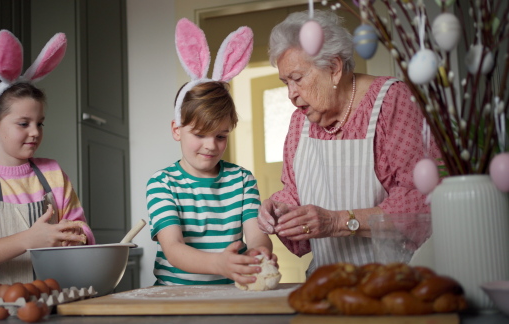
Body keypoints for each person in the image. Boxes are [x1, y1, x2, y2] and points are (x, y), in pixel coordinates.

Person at [257, 10, 441, 275]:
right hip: (328, 280)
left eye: (297, 79)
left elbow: (423, 199)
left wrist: (337, 221)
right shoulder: (300, 123)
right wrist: (281, 212)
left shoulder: (391, 102)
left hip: (394, 282)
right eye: (286, 82)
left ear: (333, 68)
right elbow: (294, 193)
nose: (290, 94)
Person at [0, 30, 95, 288]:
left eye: (40, 123)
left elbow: (83, 229)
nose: (35, 132)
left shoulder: (53, 174)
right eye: (23, 123)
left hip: (58, 302)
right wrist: (27, 239)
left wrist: (77, 235)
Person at [146, 19, 275, 286]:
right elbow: (174, 249)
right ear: (176, 129)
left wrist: (260, 254)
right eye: (200, 134)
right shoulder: (162, 184)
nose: (211, 145)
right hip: (175, 297)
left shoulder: (242, 180)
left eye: (221, 136)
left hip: (231, 294)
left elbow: (257, 234)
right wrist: (219, 263)